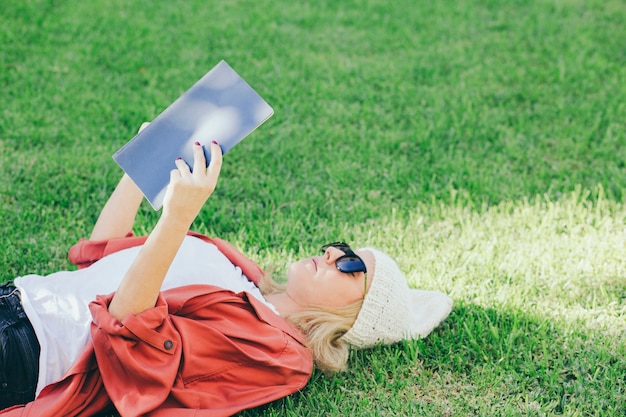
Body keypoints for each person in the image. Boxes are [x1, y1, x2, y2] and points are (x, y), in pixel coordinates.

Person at [0, 128, 453, 416]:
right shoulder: (242, 273)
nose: (334, 253)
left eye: (351, 266)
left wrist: (176, 220)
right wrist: (143, 168)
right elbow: (104, 258)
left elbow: (129, 330)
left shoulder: (281, 355)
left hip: (31, 351)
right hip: (22, 298)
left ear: (354, 317)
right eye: (344, 248)